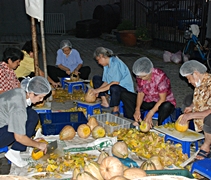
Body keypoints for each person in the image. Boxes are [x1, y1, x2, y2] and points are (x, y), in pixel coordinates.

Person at [0, 76, 51, 167]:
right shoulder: (19, 107)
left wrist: (31, 141)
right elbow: (19, 137)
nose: (41, 100)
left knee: (31, 114)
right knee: (18, 130)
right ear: (31, 94)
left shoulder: (19, 92)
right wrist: (38, 145)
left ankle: (17, 148)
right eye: (40, 97)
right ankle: (14, 153)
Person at [121, 57, 176, 126]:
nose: (142, 79)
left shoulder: (160, 76)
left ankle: (159, 124)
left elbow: (162, 99)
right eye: (140, 77)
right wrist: (137, 109)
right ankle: (137, 120)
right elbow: (140, 93)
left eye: (144, 76)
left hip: (160, 102)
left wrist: (151, 113)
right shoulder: (140, 77)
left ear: (150, 71)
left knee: (166, 106)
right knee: (125, 95)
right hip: (148, 100)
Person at [179, 60, 211, 160]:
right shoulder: (200, 82)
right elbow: (199, 99)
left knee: (209, 119)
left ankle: (207, 145)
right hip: (205, 109)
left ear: (196, 74)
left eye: (189, 78)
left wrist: (191, 115)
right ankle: (195, 132)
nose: (189, 81)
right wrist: (191, 107)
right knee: (187, 100)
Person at [90, 47, 134, 116]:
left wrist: (97, 90)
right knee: (96, 78)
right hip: (113, 87)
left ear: (102, 56)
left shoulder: (115, 63)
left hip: (124, 90)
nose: (98, 63)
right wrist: (97, 90)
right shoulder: (106, 65)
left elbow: (115, 82)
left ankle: (116, 108)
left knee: (114, 87)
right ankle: (104, 102)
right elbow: (106, 82)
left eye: (98, 60)